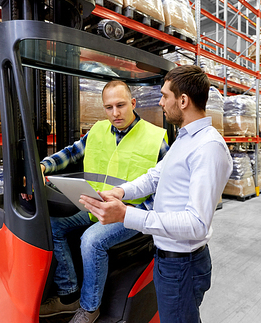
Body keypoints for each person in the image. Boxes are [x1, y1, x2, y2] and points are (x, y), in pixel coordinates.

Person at [80, 65, 233, 323]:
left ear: (183, 100)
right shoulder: (185, 138)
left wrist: (127, 214)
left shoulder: (208, 148)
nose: (160, 102)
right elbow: (155, 176)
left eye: (164, 96)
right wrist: (120, 191)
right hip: (168, 259)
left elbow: (196, 224)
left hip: (182, 265)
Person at [38, 80, 169, 323]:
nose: (115, 113)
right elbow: (70, 153)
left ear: (133, 103)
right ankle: (68, 294)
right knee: (52, 224)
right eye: (108, 107)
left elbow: (166, 189)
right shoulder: (97, 130)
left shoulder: (155, 139)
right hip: (94, 205)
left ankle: (89, 308)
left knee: (91, 240)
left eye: (120, 105)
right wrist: (43, 166)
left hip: (128, 212)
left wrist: (135, 214)